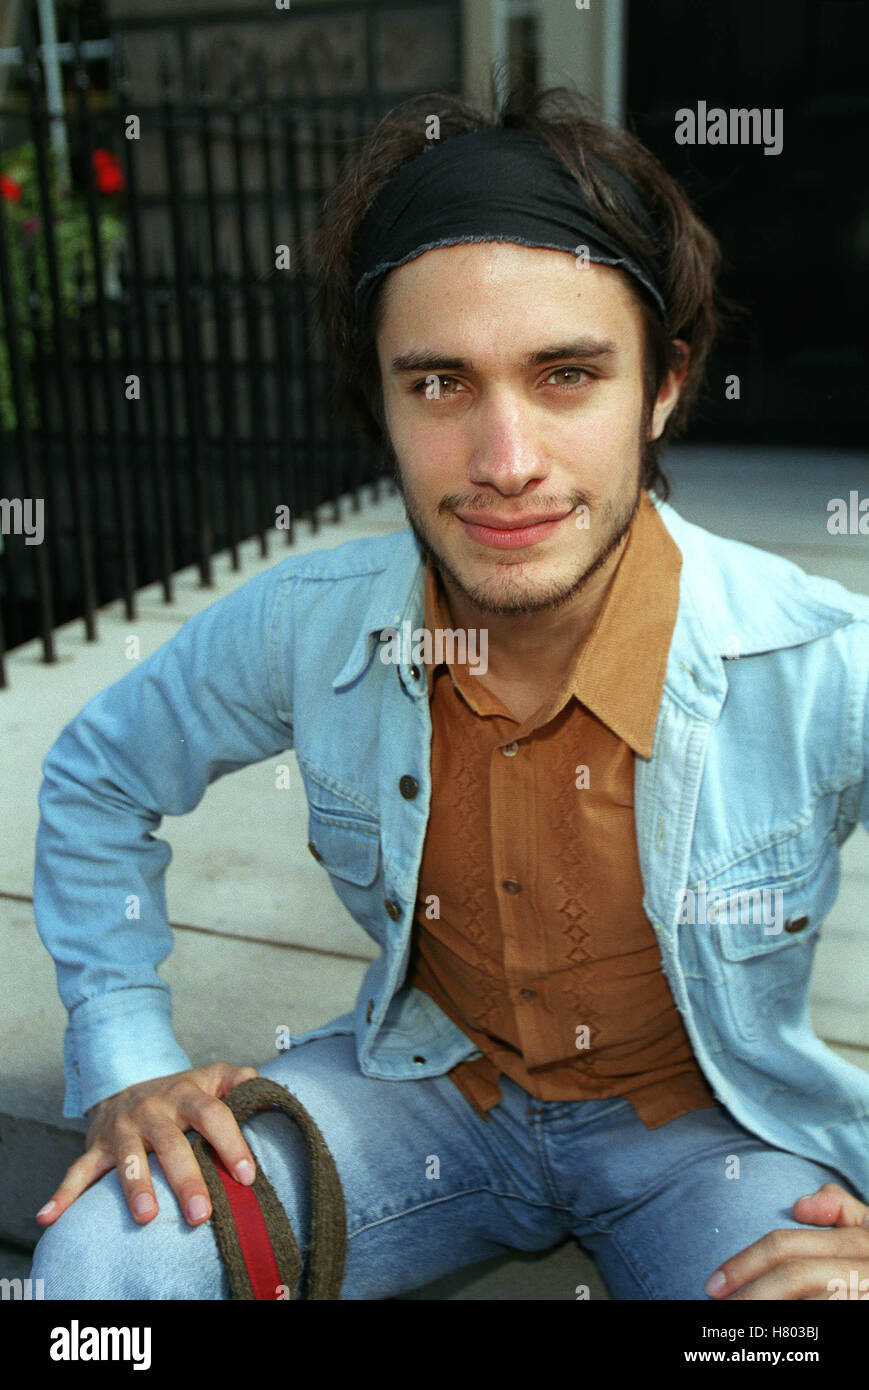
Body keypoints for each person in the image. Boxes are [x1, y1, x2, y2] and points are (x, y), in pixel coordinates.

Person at [29, 82, 869, 1301]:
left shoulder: (816, 659)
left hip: (706, 1142)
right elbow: (99, 774)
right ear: (376, 397)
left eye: (567, 374)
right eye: (437, 384)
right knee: (103, 1265)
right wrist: (122, 1052)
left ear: (665, 386)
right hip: (422, 1090)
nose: (505, 463)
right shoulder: (308, 624)